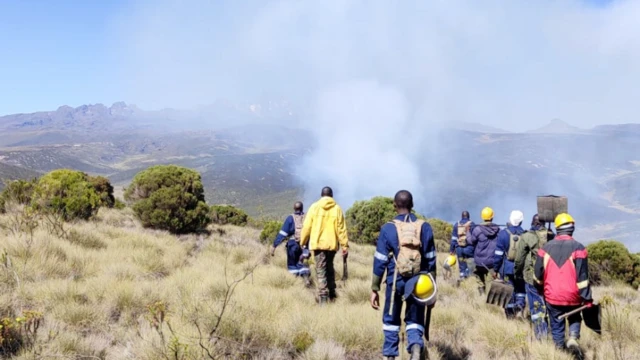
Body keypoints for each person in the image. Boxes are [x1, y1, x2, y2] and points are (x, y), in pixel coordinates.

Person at [370, 190, 437, 360]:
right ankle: (415, 346)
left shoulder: (388, 228)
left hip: (394, 282)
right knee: (415, 320)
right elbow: (431, 260)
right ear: (412, 205)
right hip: (419, 283)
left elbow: (380, 261)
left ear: (395, 205)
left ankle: (390, 355)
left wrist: (375, 288)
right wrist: (432, 291)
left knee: (391, 321)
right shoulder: (425, 227)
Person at [534, 213, 593, 356]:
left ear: (557, 228)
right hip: (574, 296)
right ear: (572, 228)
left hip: (552, 295)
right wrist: (587, 298)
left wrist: (541, 289)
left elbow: (537, 275)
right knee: (575, 316)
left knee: (556, 324)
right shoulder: (579, 248)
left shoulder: (545, 248)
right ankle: (573, 337)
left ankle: (560, 351)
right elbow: (582, 278)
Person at [300, 186, 349, 304]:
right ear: (331, 195)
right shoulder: (337, 209)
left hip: (318, 245)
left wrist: (302, 242)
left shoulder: (314, 207)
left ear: (321, 195)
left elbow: (307, 227)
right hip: (332, 245)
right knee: (329, 267)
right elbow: (341, 229)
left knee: (320, 270)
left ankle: (323, 299)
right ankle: (332, 295)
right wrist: (344, 246)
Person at [514, 214, 554, 340]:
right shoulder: (552, 235)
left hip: (532, 278)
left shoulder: (527, 236)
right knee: (549, 305)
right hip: (551, 277)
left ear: (534, 223)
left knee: (536, 308)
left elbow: (519, 259)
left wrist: (517, 273)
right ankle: (553, 334)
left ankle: (541, 337)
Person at [493, 210, 526, 318]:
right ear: (521, 221)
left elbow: (498, 255)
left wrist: (495, 269)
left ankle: (510, 315)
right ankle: (520, 307)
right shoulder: (526, 234)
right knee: (520, 289)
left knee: (508, 289)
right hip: (521, 268)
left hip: (506, 268)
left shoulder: (503, 234)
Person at [271, 201, 311, 285]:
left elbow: (283, 233)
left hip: (292, 244)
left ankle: (295, 282)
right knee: (302, 262)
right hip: (305, 244)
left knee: (292, 264)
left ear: (294, 208)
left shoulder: (290, 218)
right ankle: (305, 278)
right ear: (302, 208)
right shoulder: (307, 217)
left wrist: (275, 245)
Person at [467, 207, 500, 295]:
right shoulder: (497, 230)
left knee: (479, 277)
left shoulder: (477, 230)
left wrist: (468, 232)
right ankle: (488, 300)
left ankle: (481, 294)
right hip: (492, 262)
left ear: (482, 217)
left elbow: (471, 241)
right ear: (492, 217)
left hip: (479, 262)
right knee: (490, 282)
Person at [449, 210, 475, 283]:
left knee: (461, 264)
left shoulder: (457, 224)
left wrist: (452, 250)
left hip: (459, 248)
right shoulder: (472, 224)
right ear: (469, 216)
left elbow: (454, 239)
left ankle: (462, 277)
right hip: (469, 248)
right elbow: (475, 238)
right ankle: (469, 279)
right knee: (470, 264)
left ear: (462, 216)